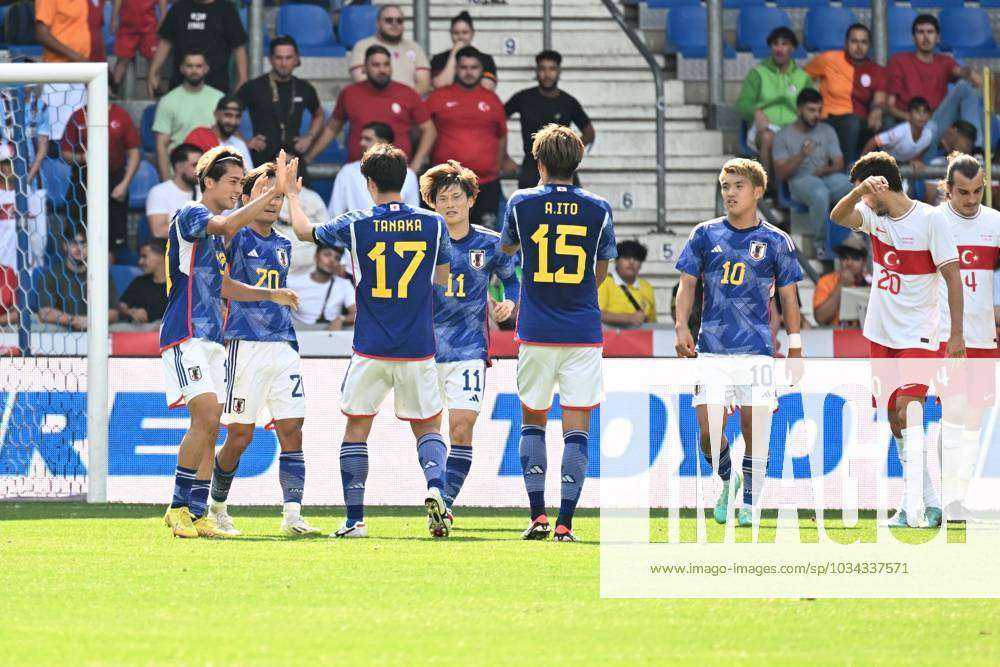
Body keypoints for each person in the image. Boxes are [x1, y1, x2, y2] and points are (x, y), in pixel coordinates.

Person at [286, 143, 453, 539]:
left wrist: (293, 195)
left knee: (357, 429)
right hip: (418, 345)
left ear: (369, 182)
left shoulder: (357, 222)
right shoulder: (434, 224)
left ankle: (355, 520)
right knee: (428, 428)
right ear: (406, 180)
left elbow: (305, 231)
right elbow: (443, 281)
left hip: (370, 345)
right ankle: (435, 488)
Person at [159, 147, 298, 539]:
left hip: (212, 336)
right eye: (234, 182)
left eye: (241, 182)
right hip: (184, 331)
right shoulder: (192, 214)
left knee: (211, 424)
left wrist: (271, 294)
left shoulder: (217, 234)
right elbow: (225, 226)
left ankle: (199, 512)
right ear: (208, 182)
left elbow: (221, 286)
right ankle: (177, 507)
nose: (239, 189)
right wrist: (273, 193)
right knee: (205, 417)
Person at [829, 150, 964, 529]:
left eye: (865, 191)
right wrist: (857, 195)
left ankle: (909, 507)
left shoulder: (931, 220)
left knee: (910, 410)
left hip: (921, 333)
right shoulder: (874, 217)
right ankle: (931, 500)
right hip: (881, 332)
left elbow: (953, 278)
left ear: (881, 185)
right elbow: (837, 216)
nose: (863, 200)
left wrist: (956, 334)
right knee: (894, 416)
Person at [500, 124, 617, 542]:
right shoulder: (599, 208)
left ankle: (537, 516)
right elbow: (602, 270)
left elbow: (507, 252)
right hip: (583, 330)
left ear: (541, 162)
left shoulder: (521, 203)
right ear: (578, 162)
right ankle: (567, 522)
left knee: (533, 419)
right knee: (577, 426)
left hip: (535, 329)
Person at [674, 158, 804, 529]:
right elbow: (687, 285)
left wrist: (794, 347)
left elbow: (789, 298)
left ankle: (749, 503)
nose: (730, 193)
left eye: (738, 186)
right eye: (725, 187)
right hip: (711, 349)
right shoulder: (704, 234)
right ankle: (729, 482)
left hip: (757, 350)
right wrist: (681, 325)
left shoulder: (777, 241)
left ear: (757, 191)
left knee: (753, 428)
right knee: (708, 433)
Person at [207, 162, 320, 538]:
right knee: (239, 435)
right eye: (264, 191)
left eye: (278, 193)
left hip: (284, 345)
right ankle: (217, 507)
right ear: (249, 195)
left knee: (293, 430)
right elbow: (222, 286)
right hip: (245, 346)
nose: (272, 202)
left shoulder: (285, 244)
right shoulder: (234, 235)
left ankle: (293, 514)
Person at [422, 160, 519, 529]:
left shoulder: (490, 243)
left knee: (461, 428)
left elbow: (512, 279)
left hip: (469, 350)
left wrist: (510, 301)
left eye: (456, 197)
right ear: (432, 203)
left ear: (471, 199)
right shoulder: (423, 239)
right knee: (429, 430)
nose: (450, 204)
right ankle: (437, 493)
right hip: (424, 350)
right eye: (442, 198)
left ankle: (442, 502)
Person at [935, 153, 1000, 522]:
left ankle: (958, 498)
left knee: (974, 418)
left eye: (978, 191)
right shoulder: (935, 221)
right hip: (948, 335)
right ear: (947, 189)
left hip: (984, 336)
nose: (972, 200)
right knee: (955, 411)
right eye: (963, 193)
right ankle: (946, 496)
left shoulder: (995, 222)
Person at [306, 46, 435, 171]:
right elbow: (332, 128)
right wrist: (309, 157)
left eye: (386, 64)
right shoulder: (350, 94)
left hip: (398, 172)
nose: (382, 70)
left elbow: (429, 130)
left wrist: (416, 165)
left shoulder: (407, 93)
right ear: (364, 68)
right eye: (376, 65)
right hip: (359, 172)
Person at [427, 47, 508, 229]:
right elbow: (422, 131)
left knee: (485, 240)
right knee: (445, 236)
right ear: (456, 69)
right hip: (445, 184)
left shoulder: (492, 100)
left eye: (474, 67)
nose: (469, 72)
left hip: (485, 185)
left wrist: (496, 165)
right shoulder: (438, 97)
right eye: (464, 67)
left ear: (481, 70)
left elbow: (501, 136)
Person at [886, 14, 985, 156]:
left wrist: (968, 73)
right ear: (913, 37)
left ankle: (977, 149)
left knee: (966, 86)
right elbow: (889, 106)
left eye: (930, 32)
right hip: (912, 125)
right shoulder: (899, 60)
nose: (926, 37)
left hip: (937, 122)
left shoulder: (944, 61)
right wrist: (912, 119)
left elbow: (974, 81)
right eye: (920, 32)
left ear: (937, 37)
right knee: (929, 127)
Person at [773, 88, 853, 257]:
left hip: (826, 177)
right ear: (799, 109)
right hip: (799, 181)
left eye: (818, 110)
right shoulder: (783, 135)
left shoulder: (827, 130)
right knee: (819, 193)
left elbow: (838, 162)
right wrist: (801, 155)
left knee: (854, 186)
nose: (816, 115)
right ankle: (820, 246)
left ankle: (856, 238)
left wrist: (825, 169)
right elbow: (780, 174)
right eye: (811, 110)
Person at [505, 50, 595, 190]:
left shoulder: (568, 102)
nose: (547, 74)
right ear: (537, 71)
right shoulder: (523, 98)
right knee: (530, 211)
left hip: (563, 171)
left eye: (552, 69)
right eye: (542, 69)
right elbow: (496, 121)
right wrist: (504, 158)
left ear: (559, 71)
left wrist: (569, 153)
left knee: (570, 209)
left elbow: (589, 132)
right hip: (532, 168)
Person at [60, 102, 141, 255]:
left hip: (114, 181)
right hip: (82, 181)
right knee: (76, 235)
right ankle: (77, 275)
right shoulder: (78, 116)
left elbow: (134, 153)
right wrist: (82, 157)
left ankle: (107, 277)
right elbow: (65, 153)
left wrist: (124, 184)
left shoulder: (121, 115)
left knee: (111, 243)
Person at [236, 35, 324, 175]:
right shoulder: (253, 87)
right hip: (261, 159)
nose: (283, 63)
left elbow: (319, 114)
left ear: (296, 59)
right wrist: (243, 142)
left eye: (288, 58)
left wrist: (310, 137)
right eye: (279, 58)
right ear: (271, 59)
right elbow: (226, 113)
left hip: (293, 159)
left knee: (302, 196)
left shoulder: (304, 87)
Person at [735, 27, 813, 183]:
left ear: (792, 48)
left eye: (784, 44)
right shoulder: (758, 73)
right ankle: (768, 186)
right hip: (765, 128)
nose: (779, 48)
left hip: (793, 129)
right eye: (775, 44)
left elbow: (810, 106)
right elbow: (742, 104)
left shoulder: (802, 77)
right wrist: (756, 112)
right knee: (768, 137)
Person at [803, 23, 887, 164]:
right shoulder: (829, 59)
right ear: (846, 43)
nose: (859, 47)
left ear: (870, 45)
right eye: (854, 41)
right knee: (851, 122)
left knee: (887, 123)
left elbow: (880, 98)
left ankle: (886, 174)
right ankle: (845, 171)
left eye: (864, 42)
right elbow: (802, 77)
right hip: (829, 121)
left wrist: (877, 110)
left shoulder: (876, 69)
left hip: (860, 124)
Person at [149, 0, 248, 96]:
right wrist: (153, 72)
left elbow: (238, 46)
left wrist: (243, 78)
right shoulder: (179, 8)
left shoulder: (226, 9)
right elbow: (165, 42)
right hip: (181, 87)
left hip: (216, 88)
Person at [152, 51, 225, 180]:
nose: (194, 70)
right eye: (189, 66)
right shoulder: (168, 101)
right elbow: (161, 146)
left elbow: (229, 135)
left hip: (213, 173)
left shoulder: (219, 98)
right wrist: (166, 180)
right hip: (180, 175)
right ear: (182, 68)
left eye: (198, 66)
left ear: (206, 68)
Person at [328, 122, 420, 218]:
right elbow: (335, 213)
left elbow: (413, 215)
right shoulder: (347, 172)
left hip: (397, 231)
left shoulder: (409, 174)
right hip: (358, 231)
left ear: (384, 143)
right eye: (361, 139)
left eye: (368, 139)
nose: (361, 143)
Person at [36, 227, 119, 332]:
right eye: (74, 243)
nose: (79, 248)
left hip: (96, 330)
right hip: (64, 330)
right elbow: (45, 313)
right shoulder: (51, 274)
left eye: (84, 244)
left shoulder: (101, 274)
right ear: (64, 245)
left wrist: (90, 321)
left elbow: (113, 313)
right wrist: (74, 320)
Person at [348, 4, 430, 95]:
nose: (395, 24)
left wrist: (404, 100)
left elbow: (424, 84)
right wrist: (390, 101)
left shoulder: (414, 47)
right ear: (378, 23)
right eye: (389, 20)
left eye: (399, 21)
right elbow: (361, 81)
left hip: (408, 103)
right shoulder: (362, 46)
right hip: (375, 102)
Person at [286, 246, 356, 329]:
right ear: (316, 257)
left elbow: (356, 313)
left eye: (337, 258)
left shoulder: (344, 284)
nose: (332, 260)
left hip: (329, 334)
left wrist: (342, 319)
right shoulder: (292, 282)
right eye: (327, 255)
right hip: (298, 333)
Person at [812, 233, 871, 328]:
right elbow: (820, 318)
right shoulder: (826, 281)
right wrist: (841, 286)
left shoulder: (872, 284)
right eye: (844, 257)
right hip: (836, 339)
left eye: (855, 258)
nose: (849, 263)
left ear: (864, 261)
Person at [431, 11, 498, 92]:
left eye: (465, 32)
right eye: (456, 33)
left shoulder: (486, 59)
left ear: (472, 33)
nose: (461, 37)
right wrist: (454, 55)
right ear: (451, 34)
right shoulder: (439, 59)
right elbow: (440, 85)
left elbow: (487, 87)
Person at [147, 143, 202, 239]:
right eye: (194, 165)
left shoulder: (204, 191)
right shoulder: (159, 192)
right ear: (179, 167)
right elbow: (158, 231)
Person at [183, 95, 254, 170]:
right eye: (228, 115)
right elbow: (189, 170)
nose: (233, 122)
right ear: (216, 114)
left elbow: (249, 176)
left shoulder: (240, 145)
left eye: (237, 117)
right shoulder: (199, 136)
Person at [598, 239, 657, 328]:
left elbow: (652, 322)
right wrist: (628, 318)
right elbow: (596, 314)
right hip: (609, 340)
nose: (631, 262)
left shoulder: (646, 286)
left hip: (640, 340)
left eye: (636, 258)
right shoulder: (603, 282)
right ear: (616, 261)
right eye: (626, 257)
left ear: (641, 264)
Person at [112, 0, 166, 95]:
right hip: (127, 26)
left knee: (154, 61)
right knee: (122, 59)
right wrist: (114, 17)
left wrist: (163, 18)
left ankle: (156, 92)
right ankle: (112, 90)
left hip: (149, 27)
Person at [862, 97, 934, 168]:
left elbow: (922, 149)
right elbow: (873, 141)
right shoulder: (900, 131)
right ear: (909, 115)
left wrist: (915, 160)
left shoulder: (928, 135)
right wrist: (862, 163)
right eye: (917, 112)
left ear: (929, 116)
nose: (921, 116)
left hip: (903, 164)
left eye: (925, 112)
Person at [118, 239, 170, 326]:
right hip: (142, 333)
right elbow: (121, 305)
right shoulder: (139, 282)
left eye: (144, 256)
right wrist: (131, 312)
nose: (140, 262)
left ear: (161, 256)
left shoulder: (177, 283)